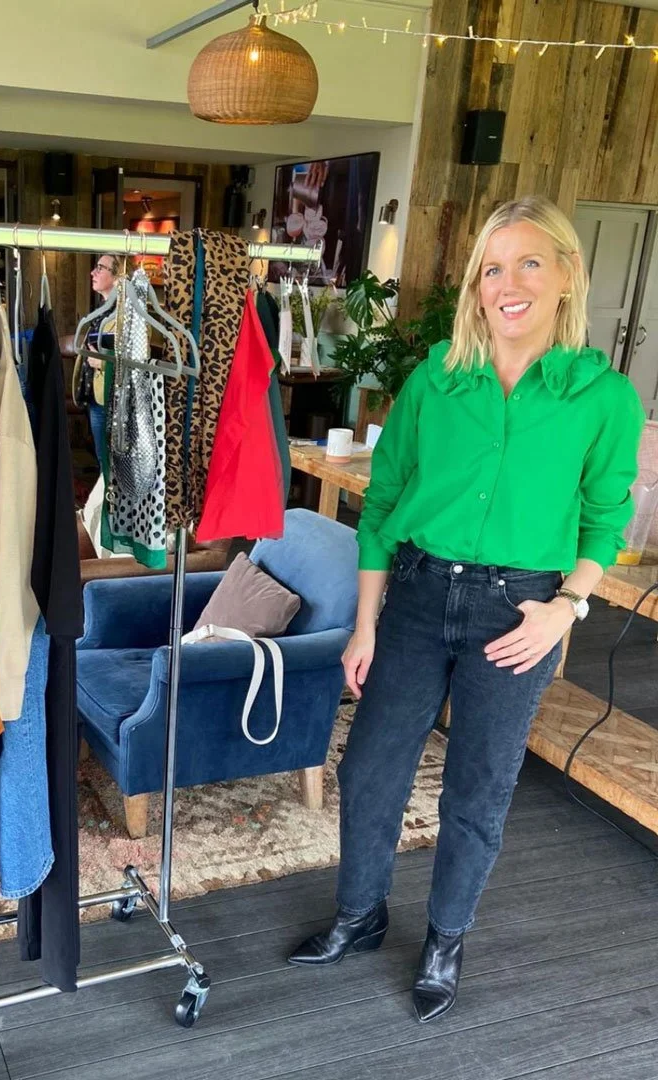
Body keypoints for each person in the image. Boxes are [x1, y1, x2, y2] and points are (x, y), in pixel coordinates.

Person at [287, 196, 645, 1022]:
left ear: (564, 277)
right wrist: (366, 622)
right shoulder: (438, 379)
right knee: (371, 769)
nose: (508, 284)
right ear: (477, 286)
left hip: (518, 613)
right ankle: (360, 914)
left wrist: (567, 608)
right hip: (413, 596)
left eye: (528, 264)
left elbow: (603, 518)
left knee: (477, 790)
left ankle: (446, 939)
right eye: (493, 268)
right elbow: (381, 507)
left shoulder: (603, 396)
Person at [83, 252, 120, 467]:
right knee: (102, 457)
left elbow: (133, 354)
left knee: (110, 461)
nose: (93, 272)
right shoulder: (101, 310)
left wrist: (102, 362)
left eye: (100, 268)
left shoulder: (125, 312)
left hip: (112, 396)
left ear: (116, 277)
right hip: (96, 394)